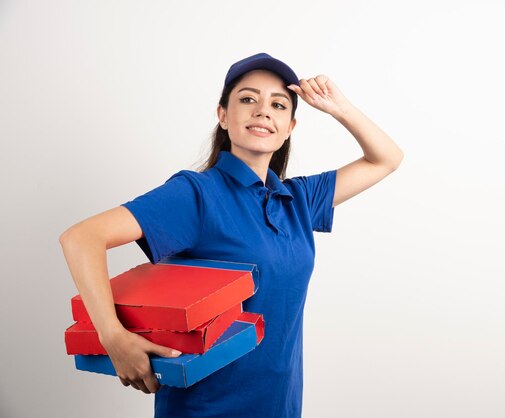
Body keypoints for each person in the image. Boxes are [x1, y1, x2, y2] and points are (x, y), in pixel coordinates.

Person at [59, 52, 403, 418]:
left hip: (279, 405)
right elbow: (82, 238)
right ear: (223, 115)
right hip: (205, 408)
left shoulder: (298, 199)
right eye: (248, 99)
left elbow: (386, 158)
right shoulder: (197, 194)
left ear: (290, 126)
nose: (263, 111)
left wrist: (339, 107)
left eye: (278, 104)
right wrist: (112, 336)